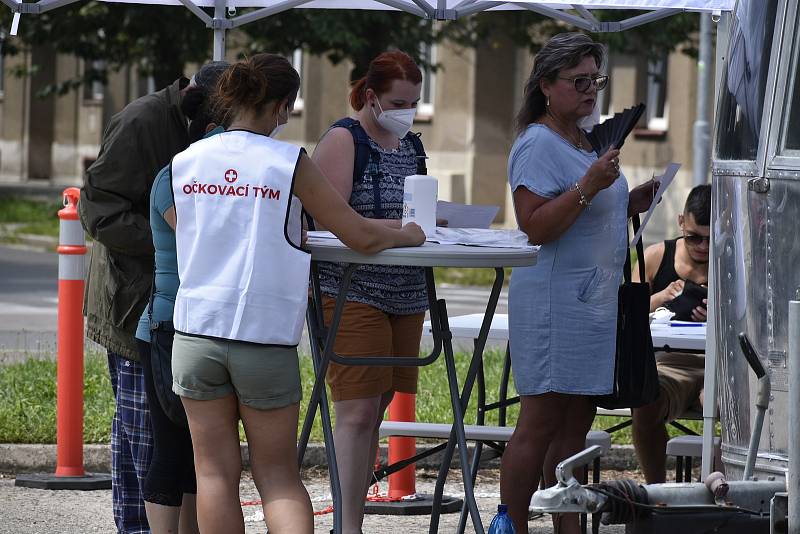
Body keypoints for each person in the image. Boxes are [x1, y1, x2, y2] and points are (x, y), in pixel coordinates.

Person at [169, 53, 425, 534]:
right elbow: (360, 235)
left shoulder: (186, 161)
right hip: (261, 333)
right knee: (278, 478)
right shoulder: (287, 162)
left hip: (196, 330)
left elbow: (189, 227)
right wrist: (408, 234)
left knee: (214, 475)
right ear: (284, 107)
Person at [500, 33, 656, 533]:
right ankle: (512, 524)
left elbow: (583, 210)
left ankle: (568, 527)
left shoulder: (585, 140)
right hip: (553, 304)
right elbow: (536, 225)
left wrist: (626, 202)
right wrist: (589, 186)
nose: (591, 92)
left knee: (575, 427)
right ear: (547, 85)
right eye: (579, 81)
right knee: (540, 422)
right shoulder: (537, 143)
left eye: (596, 81)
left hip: (592, 305)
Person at [79, 61, 228, 534]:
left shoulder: (197, 126)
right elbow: (97, 210)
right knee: (143, 440)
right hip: (133, 303)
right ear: (203, 106)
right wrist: (173, 241)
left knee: (172, 440)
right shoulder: (142, 122)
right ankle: (136, 528)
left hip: (182, 308)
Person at [311, 50, 428, 534]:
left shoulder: (410, 144)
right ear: (372, 96)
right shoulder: (344, 139)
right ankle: (348, 526)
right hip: (352, 289)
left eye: (416, 102)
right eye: (400, 102)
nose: (408, 112)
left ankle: (351, 515)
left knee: (377, 405)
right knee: (357, 411)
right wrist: (401, 230)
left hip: (405, 291)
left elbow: (416, 209)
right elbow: (328, 218)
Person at [132, 62, 229, 534]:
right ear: (212, 130)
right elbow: (200, 243)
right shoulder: (179, 175)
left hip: (202, 323)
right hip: (170, 324)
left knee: (200, 452)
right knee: (171, 448)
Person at [631, 184, 711, 484]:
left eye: (709, 238)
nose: (702, 247)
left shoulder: (734, 261)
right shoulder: (657, 256)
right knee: (644, 403)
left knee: (729, 411)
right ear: (681, 222)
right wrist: (661, 298)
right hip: (672, 360)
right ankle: (657, 491)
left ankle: (722, 493)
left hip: (723, 363)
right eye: (693, 237)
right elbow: (627, 310)